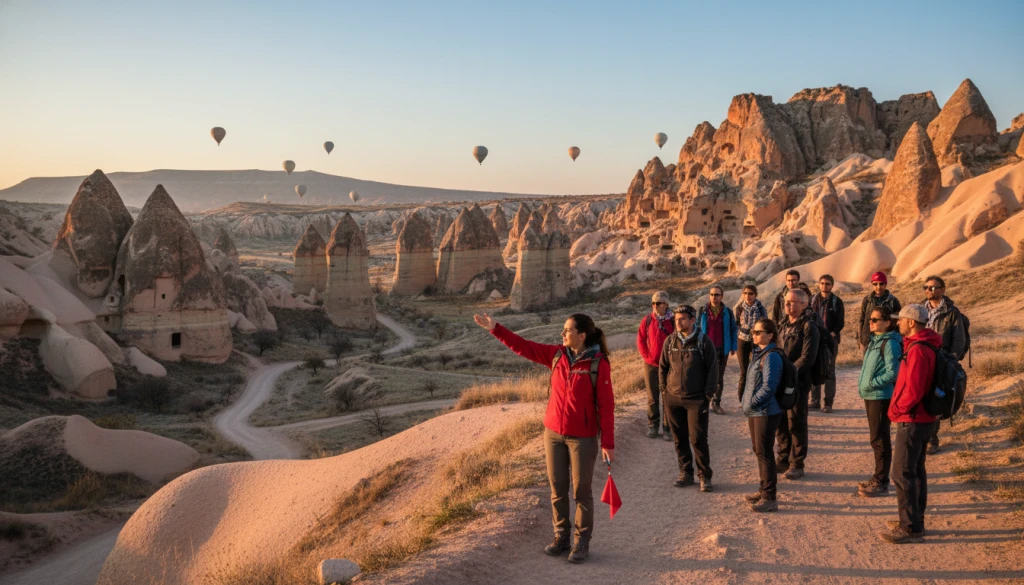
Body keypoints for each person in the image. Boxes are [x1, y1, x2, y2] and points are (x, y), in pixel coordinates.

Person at [473, 312, 614, 563]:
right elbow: (524, 347)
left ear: (582, 336)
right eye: (563, 329)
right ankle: (561, 536)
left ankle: (581, 543)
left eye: (568, 330)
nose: (563, 334)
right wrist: (495, 328)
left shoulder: (597, 365)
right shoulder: (557, 355)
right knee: (557, 488)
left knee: (581, 492)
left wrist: (608, 443)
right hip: (553, 434)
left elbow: (606, 406)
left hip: (582, 437)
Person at [878, 305, 941, 544]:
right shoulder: (925, 345)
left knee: (902, 472)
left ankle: (910, 527)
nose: (898, 323)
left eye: (901, 320)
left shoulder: (917, 350)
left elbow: (913, 391)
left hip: (912, 419)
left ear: (912, 323)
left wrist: (895, 410)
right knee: (915, 471)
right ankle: (915, 520)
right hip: (922, 418)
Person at [659, 304, 718, 492]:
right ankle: (686, 472)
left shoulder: (703, 342)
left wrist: (707, 395)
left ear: (692, 320)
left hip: (696, 400)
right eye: (676, 318)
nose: (678, 322)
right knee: (679, 438)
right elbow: (662, 368)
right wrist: (664, 392)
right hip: (673, 399)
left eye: (682, 318)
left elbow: (713, 371)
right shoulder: (670, 342)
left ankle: (704, 476)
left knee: (698, 439)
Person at [857, 308, 902, 498]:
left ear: (887, 322)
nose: (871, 322)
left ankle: (882, 481)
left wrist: (873, 383)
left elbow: (894, 372)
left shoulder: (890, 343)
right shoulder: (876, 341)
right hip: (871, 395)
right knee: (876, 438)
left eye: (876, 320)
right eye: (870, 319)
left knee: (880, 438)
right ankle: (878, 476)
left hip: (881, 396)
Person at [922, 275, 969, 454]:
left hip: (941, 362)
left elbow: (959, 341)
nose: (929, 290)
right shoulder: (920, 309)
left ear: (943, 290)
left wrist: (950, 362)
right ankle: (921, 435)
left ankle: (932, 438)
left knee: (935, 399)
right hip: (921, 360)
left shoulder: (951, 312)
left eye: (933, 287)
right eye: (926, 287)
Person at [742, 318, 784, 512]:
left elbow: (769, 386)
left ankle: (769, 497)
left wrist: (752, 401)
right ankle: (763, 489)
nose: (755, 335)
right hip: (756, 411)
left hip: (766, 411)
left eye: (759, 332)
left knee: (765, 453)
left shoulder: (772, 356)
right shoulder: (759, 353)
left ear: (770, 335)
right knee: (759, 451)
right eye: (754, 332)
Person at [776, 289, 819, 479]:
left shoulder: (809, 327)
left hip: (798, 383)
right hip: (780, 380)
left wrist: (789, 373)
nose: (788, 305)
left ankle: (797, 463)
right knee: (780, 421)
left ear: (803, 304)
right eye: (786, 302)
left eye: (793, 302)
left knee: (796, 421)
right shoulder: (782, 324)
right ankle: (783, 457)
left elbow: (807, 358)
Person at [637, 292, 674, 439]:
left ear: (666, 304)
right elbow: (640, 340)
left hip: (669, 365)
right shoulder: (647, 320)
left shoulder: (672, 321)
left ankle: (667, 428)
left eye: (659, 303)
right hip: (651, 365)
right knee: (652, 397)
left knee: (668, 396)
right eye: (654, 303)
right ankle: (653, 425)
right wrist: (647, 357)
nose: (656, 306)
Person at [697, 285, 738, 415]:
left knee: (719, 377)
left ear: (722, 296)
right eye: (712, 294)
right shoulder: (703, 310)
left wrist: (733, 346)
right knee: (704, 375)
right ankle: (704, 402)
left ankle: (716, 403)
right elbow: (697, 328)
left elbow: (733, 329)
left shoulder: (727, 312)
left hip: (721, 348)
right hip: (706, 348)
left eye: (717, 295)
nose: (714, 297)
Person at [810, 275, 845, 413]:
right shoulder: (812, 300)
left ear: (832, 285)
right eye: (822, 283)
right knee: (814, 368)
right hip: (814, 339)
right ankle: (815, 401)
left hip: (830, 341)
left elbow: (840, 322)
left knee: (830, 371)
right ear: (819, 284)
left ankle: (828, 403)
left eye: (828, 284)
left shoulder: (837, 302)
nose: (825, 286)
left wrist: (832, 334)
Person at [734, 284, 768, 407]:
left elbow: (765, 324)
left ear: (755, 295)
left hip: (757, 342)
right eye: (745, 293)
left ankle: (756, 398)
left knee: (757, 369)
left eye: (751, 293)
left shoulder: (760, 308)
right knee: (744, 371)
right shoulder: (739, 308)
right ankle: (742, 399)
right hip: (742, 340)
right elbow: (736, 324)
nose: (748, 296)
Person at [858, 272, 902, 355]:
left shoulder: (892, 300)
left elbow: (898, 321)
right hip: (868, 339)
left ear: (885, 284)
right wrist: (861, 340)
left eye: (881, 284)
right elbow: (862, 320)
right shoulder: (867, 300)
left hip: (887, 339)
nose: (878, 287)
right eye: (875, 284)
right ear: (872, 284)